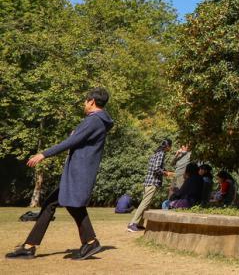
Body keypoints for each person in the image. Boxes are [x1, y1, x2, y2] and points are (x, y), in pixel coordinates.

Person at [5, 87, 114, 261]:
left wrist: (43, 154)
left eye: (85, 101)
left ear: (91, 101)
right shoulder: (98, 121)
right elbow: (78, 139)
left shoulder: (93, 121)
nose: (84, 104)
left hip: (79, 172)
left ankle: (90, 241)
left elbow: (70, 142)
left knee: (71, 206)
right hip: (78, 171)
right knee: (52, 204)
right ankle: (30, 246)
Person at [127, 138, 172, 232]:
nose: (170, 148)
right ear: (168, 146)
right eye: (170, 146)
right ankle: (132, 224)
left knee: (147, 204)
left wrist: (164, 170)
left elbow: (155, 167)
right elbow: (156, 169)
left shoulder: (156, 153)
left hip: (148, 181)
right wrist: (165, 173)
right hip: (152, 182)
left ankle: (139, 224)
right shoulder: (161, 154)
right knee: (145, 203)